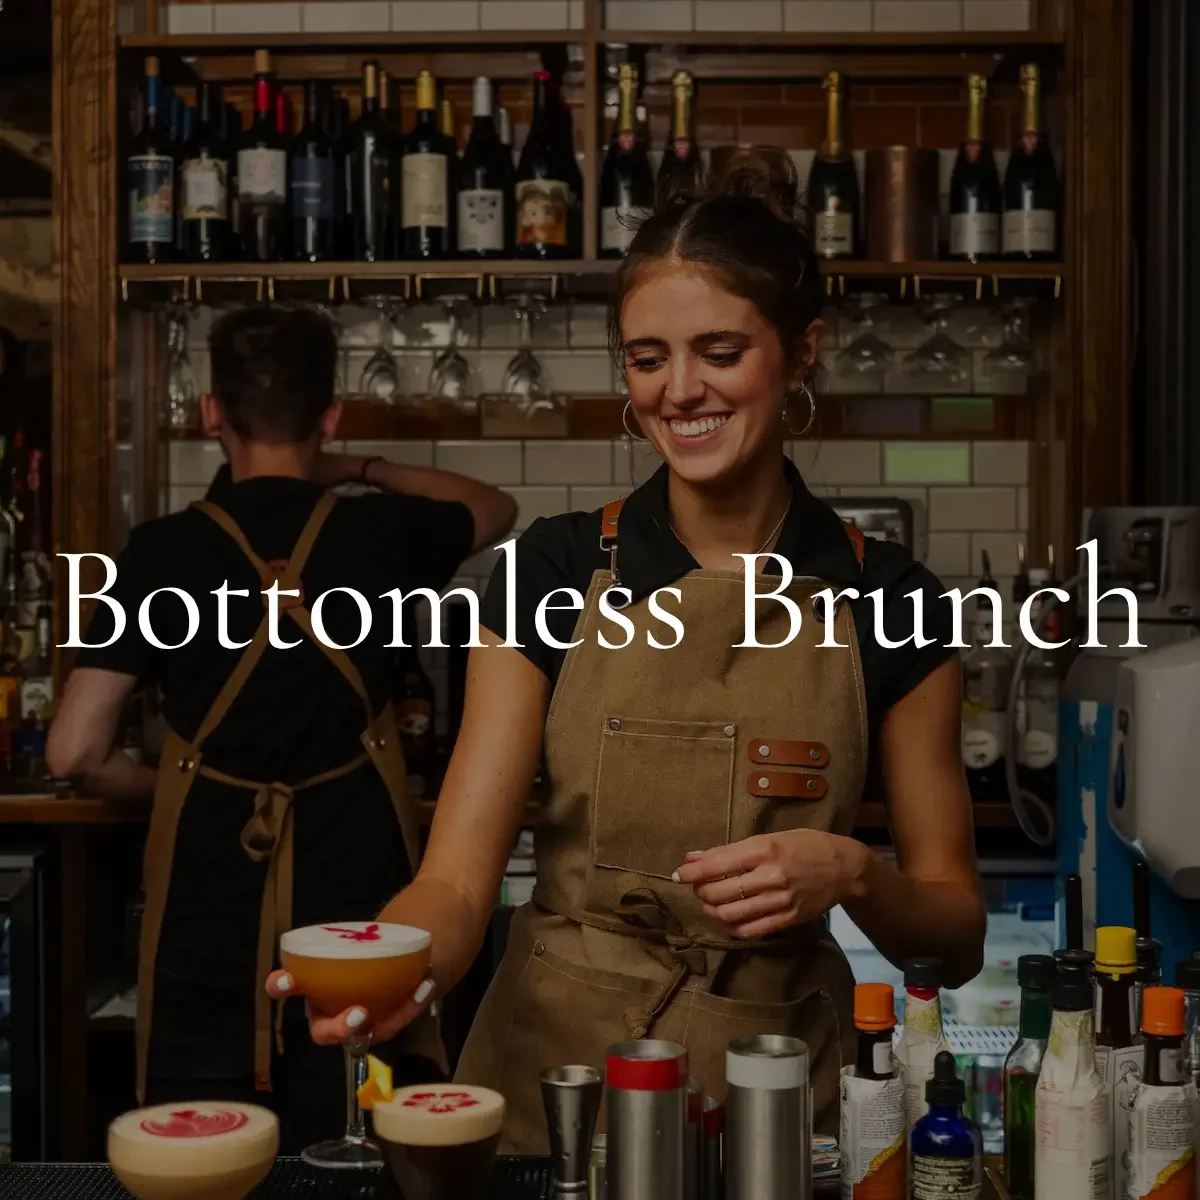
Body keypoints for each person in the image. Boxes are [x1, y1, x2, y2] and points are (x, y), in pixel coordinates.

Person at [269, 152, 988, 1153]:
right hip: (551, 1088)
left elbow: (955, 937)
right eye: (647, 358)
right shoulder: (548, 571)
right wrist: (401, 968)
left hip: (773, 1102)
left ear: (803, 350)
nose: (679, 391)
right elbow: (460, 884)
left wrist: (852, 874)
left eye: (720, 351)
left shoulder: (889, 596)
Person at [47, 307, 516, 1153]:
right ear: (329, 416)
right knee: (366, 1116)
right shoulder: (381, 529)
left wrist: (181, 783)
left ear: (210, 414)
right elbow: (493, 505)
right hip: (361, 894)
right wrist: (356, 467)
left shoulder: (163, 550)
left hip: (208, 898)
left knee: (205, 1136)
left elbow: (72, 752)